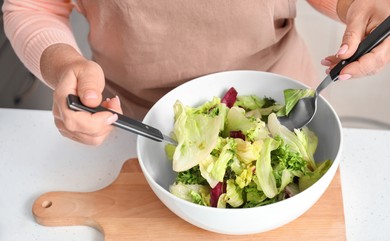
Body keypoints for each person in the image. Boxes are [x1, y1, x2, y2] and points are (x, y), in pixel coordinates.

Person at [3, 0, 390, 145]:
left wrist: (359, 5)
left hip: (282, 98)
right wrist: (65, 65)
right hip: (138, 121)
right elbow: (34, 7)